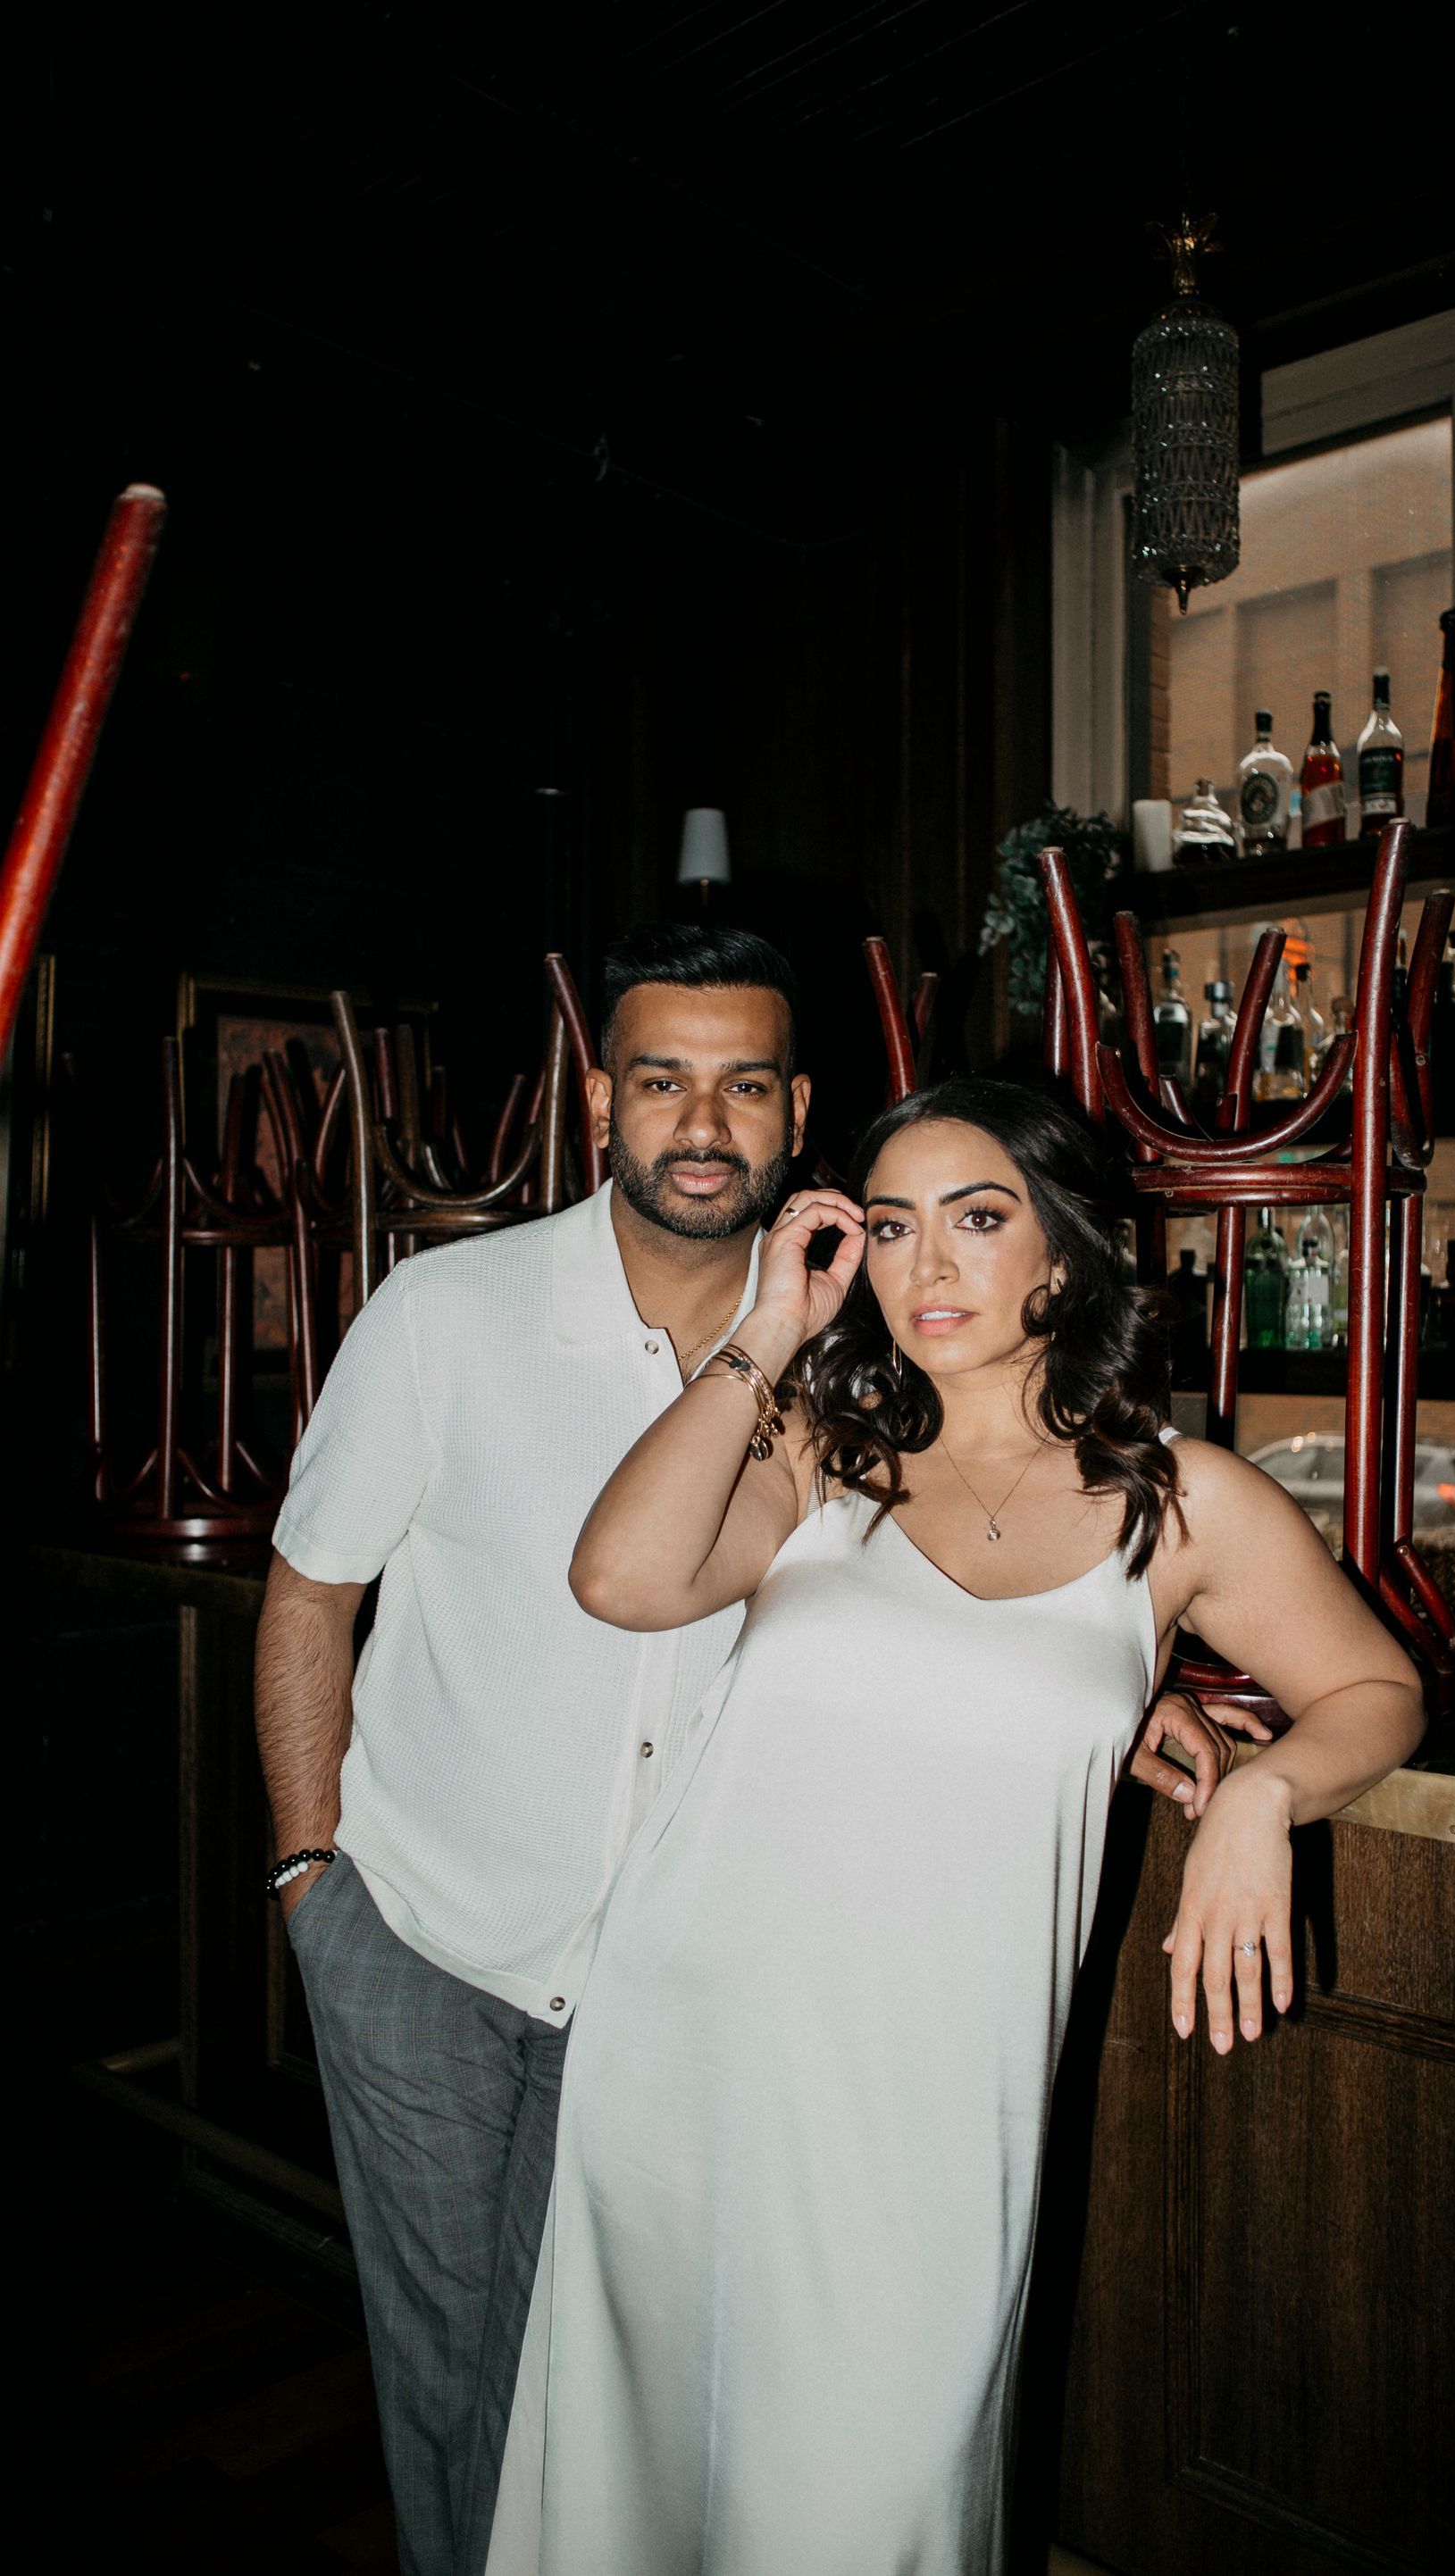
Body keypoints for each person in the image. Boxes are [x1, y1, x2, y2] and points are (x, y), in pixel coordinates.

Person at [486, 1075, 1426, 2576]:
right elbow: (622, 1576)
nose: (927, 1268)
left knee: (878, 2504)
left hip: (931, 2114)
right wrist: (770, 1331)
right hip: (688, 2065)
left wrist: (1263, 1790)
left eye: (977, 1222)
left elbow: (1376, 1687)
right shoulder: (823, 1450)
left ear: (1058, 1253)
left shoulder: (1178, 1507)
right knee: (642, 2506)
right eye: (894, 1227)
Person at [252, 921, 817, 2576]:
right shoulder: (445, 1314)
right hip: (423, 1946)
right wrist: (308, 1875)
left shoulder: (841, 1354)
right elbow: (308, 1594)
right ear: (598, 1101)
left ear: (797, 1111)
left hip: (676, 1982)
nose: (701, 1124)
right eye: (661, 1081)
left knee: (619, 2414)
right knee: (453, 2401)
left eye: (743, 1085)